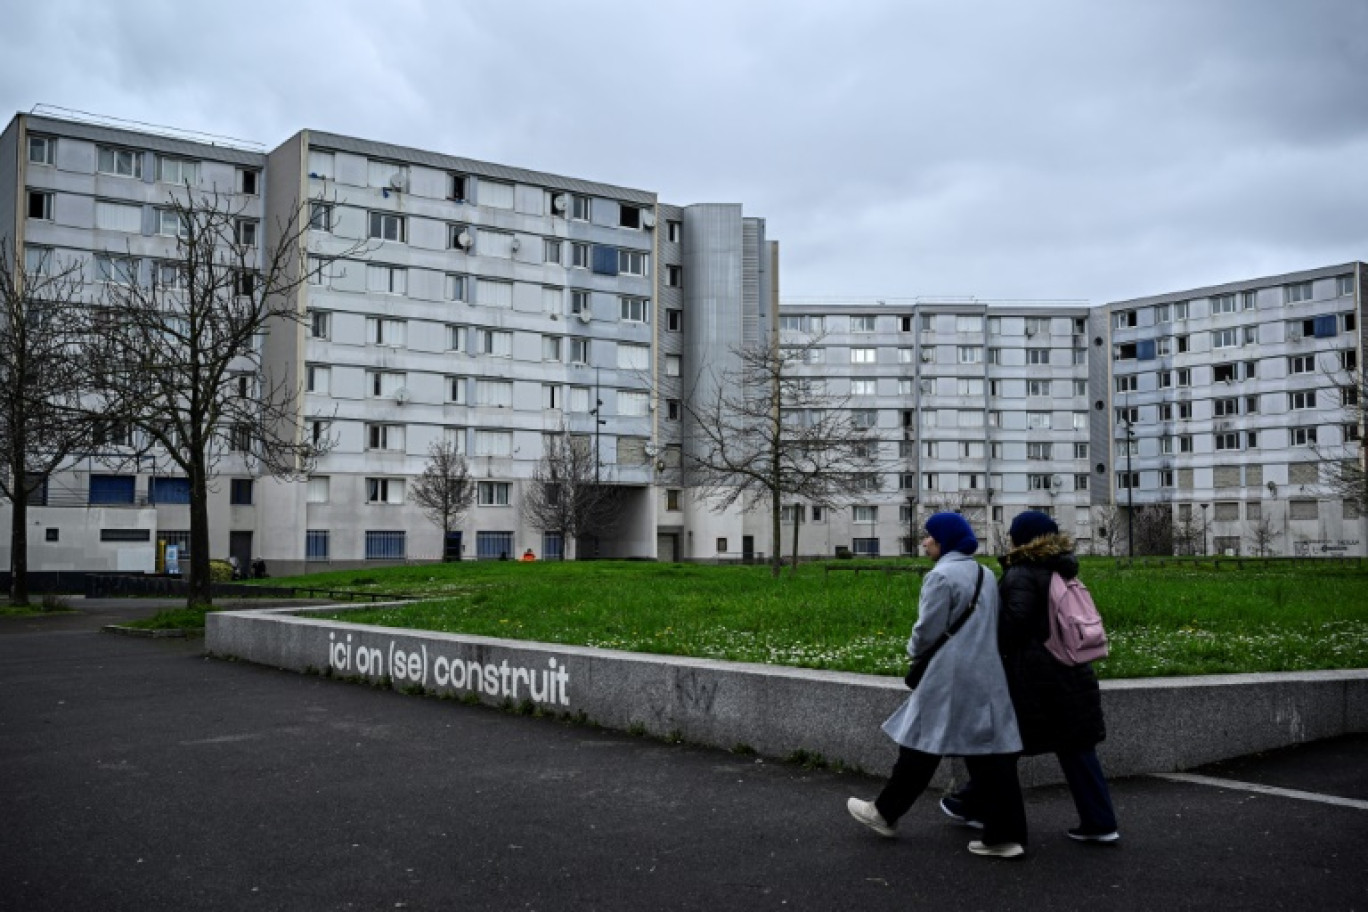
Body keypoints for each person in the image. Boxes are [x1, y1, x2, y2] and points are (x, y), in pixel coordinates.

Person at [846, 512, 1029, 859]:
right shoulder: (985, 573)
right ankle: (1003, 834)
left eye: (930, 536)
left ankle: (884, 813)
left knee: (920, 745)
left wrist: (912, 651)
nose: (925, 541)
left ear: (945, 540)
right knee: (988, 756)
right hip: (986, 674)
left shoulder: (940, 576)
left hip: (949, 676)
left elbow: (927, 630)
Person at [940, 510, 1120, 844]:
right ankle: (1101, 821)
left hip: (1036, 678)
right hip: (1072, 670)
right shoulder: (1063, 568)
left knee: (999, 747)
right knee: (1077, 748)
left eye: (1012, 534)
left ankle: (974, 805)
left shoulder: (1023, 572)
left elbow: (1013, 625)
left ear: (1022, 539)